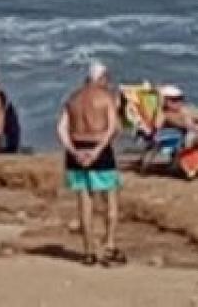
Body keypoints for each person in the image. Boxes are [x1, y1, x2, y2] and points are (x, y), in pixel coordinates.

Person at [58, 62, 122, 266]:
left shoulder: (73, 99)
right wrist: (96, 151)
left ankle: (88, 251)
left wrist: (74, 151)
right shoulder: (106, 98)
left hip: (77, 147)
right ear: (101, 78)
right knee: (109, 199)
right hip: (98, 147)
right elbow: (112, 129)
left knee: (84, 202)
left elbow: (61, 129)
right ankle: (109, 245)